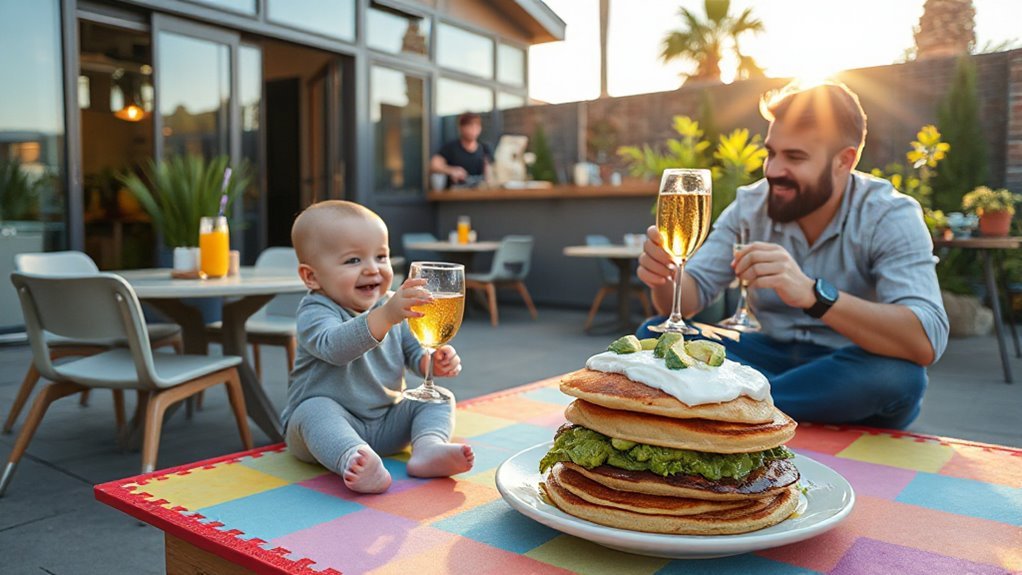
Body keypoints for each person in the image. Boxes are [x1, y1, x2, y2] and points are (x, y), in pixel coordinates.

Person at [637, 80, 949, 430]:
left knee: (897, 377)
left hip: (846, 362)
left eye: (795, 157)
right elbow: (687, 300)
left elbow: (925, 339)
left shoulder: (889, 214)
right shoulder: (751, 205)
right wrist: (665, 275)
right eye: (771, 153)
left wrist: (813, 295)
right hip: (764, 352)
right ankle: (759, 405)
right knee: (659, 335)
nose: (773, 170)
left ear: (844, 160)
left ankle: (736, 401)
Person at [282, 200, 474, 494]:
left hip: (386, 423)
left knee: (437, 398)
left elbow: (414, 353)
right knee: (313, 410)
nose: (373, 269)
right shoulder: (316, 310)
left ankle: (427, 447)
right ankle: (352, 457)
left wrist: (432, 362)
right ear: (312, 276)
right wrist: (386, 316)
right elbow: (334, 348)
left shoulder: (391, 304)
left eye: (381, 256)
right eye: (353, 260)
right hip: (324, 431)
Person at [430, 112, 493, 187]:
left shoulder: (484, 148)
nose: (474, 129)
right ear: (461, 128)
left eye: (477, 126)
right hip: (456, 191)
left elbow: (491, 172)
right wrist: (451, 170)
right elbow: (434, 165)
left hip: (479, 190)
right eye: (470, 125)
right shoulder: (451, 148)